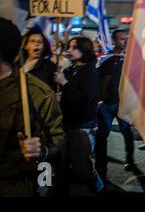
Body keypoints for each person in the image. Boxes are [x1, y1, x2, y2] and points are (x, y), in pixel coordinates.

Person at [0, 17, 65, 197]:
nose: (36, 45)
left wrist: (41, 150)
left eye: (39, 41)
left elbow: (58, 141)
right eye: (32, 41)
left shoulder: (37, 92)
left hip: (12, 185)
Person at [54, 36, 104, 193]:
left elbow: (85, 99)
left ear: (84, 50)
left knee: (83, 165)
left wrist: (65, 84)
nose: (70, 50)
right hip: (66, 122)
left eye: (74, 47)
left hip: (82, 125)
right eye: (69, 46)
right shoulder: (68, 70)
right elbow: (69, 95)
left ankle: (98, 187)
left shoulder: (91, 72)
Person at [95, 29, 136, 180]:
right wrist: (99, 100)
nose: (124, 42)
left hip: (123, 103)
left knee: (127, 133)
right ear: (114, 41)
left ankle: (130, 160)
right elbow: (97, 79)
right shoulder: (104, 59)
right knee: (102, 135)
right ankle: (101, 165)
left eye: (125, 39)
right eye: (121, 39)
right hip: (106, 104)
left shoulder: (130, 59)